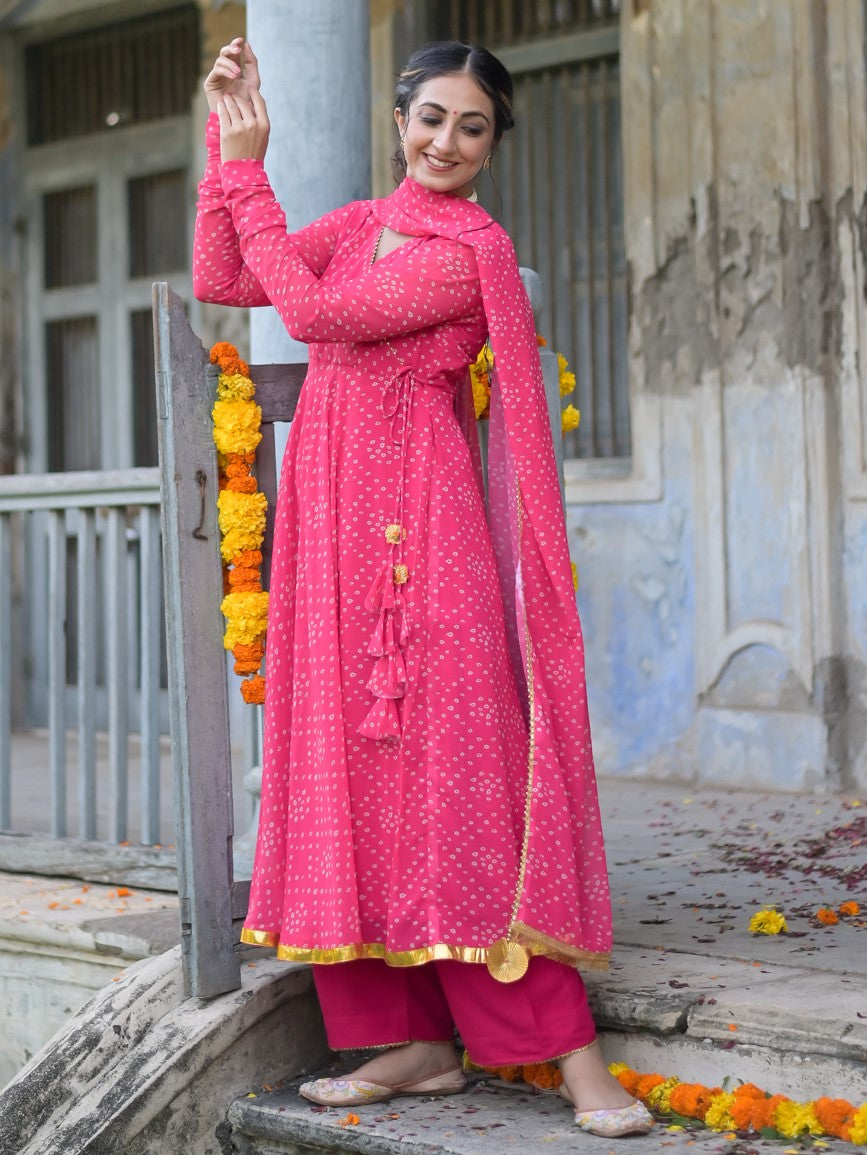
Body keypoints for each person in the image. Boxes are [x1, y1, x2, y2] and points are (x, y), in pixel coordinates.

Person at [193, 36, 653, 1140]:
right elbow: (225, 276)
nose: (446, 141)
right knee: (347, 774)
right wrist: (227, 141)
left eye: (472, 125)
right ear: (400, 121)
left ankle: (574, 1059)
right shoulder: (356, 225)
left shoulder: (468, 250)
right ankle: (413, 1046)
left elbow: (310, 317)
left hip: (421, 536)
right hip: (327, 536)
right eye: (431, 118)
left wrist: (253, 176)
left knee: (460, 772)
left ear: (494, 145)